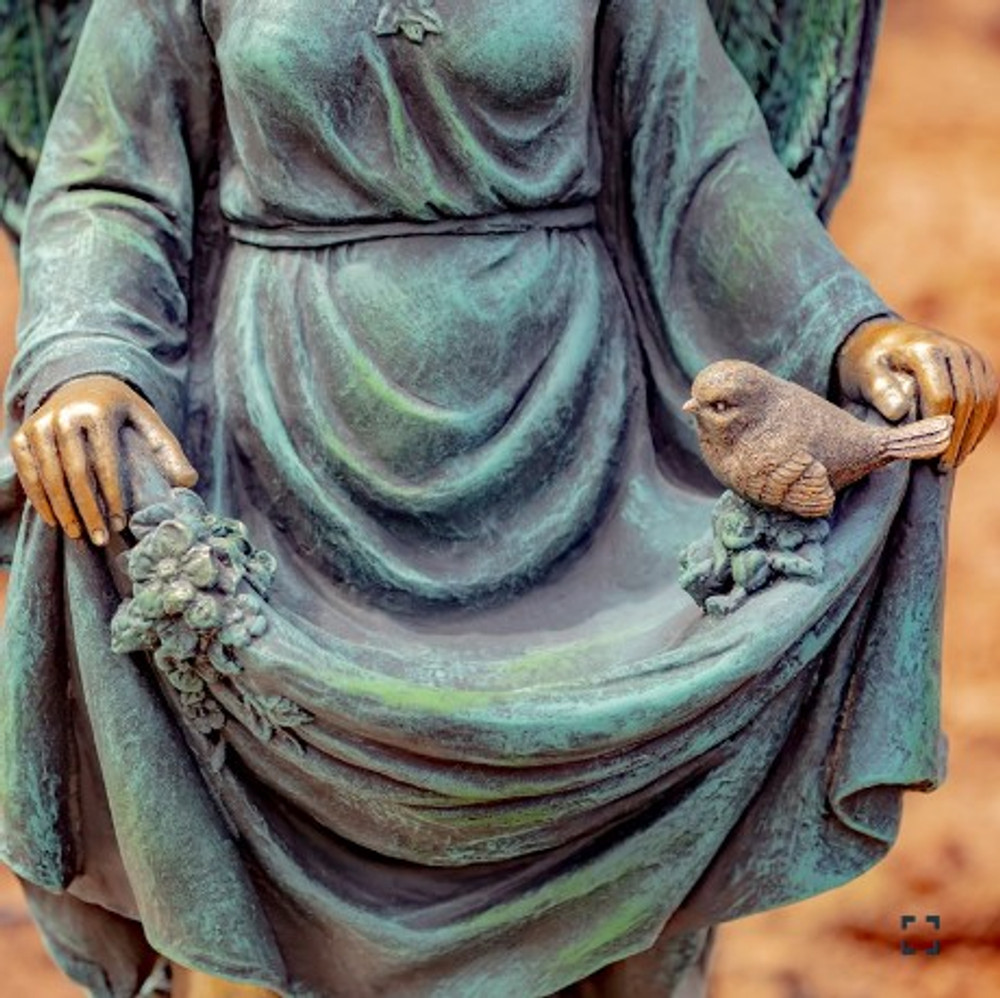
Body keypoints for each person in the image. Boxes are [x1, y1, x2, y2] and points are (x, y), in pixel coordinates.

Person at [0, 1, 995, 996]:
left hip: (577, 469)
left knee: (614, 900)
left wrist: (850, 335)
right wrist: (90, 359)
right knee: (266, 916)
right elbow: (107, 177)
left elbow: (705, 172)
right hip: (278, 474)